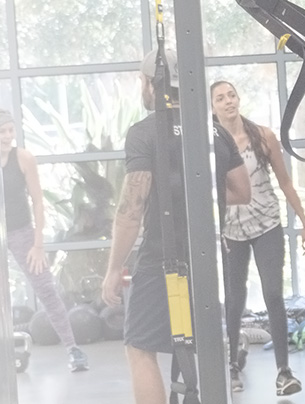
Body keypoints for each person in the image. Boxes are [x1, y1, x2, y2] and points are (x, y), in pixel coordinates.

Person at [100, 49, 250, 404]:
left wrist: (112, 271)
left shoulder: (144, 132)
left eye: (142, 81)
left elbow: (130, 211)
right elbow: (242, 191)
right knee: (206, 347)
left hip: (160, 257)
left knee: (139, 347)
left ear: (152, 84)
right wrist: (196, 199)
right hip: (209, 258)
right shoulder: (211, 129)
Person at [209, 80, 305, 396]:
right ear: (212, 107)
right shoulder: (211, 145)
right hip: (232, 231)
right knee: (235, 297)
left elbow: (285, 182)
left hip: (268, 224)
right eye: (220, 98)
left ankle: (284, 371)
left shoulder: (263, 136)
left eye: (232, 95)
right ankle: (231, 365)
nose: (228, 102)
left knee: (272, 294)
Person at [0, 109, 89, 372]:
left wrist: (38, 244)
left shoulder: (24, 158)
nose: (7, 136)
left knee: (46, 290)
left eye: (10, 130)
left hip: (22, 232)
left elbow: (38, 202)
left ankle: (73, 350)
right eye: (2, 131)